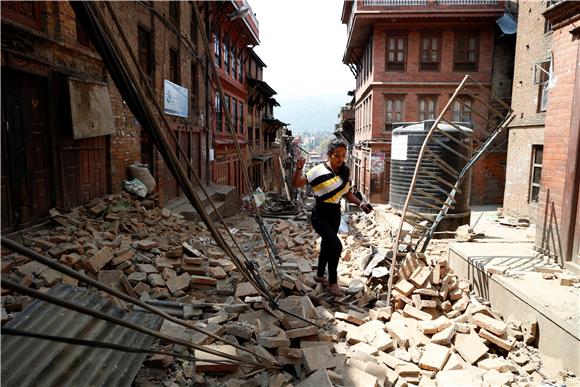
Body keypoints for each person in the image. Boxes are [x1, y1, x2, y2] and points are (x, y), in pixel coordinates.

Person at [292, 139, 373, 296]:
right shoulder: (317, 171)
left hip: (335, 214)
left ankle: (320, 274)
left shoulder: (345, 172)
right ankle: (333, 282)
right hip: (319, 214)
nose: (340, 159)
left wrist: (361, 204)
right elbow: (298, 184)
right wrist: (298, 169)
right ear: (329, 155)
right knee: (336, 246)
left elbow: (347, 193)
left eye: (343, 155)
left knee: (327, 245)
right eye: (337, 155)